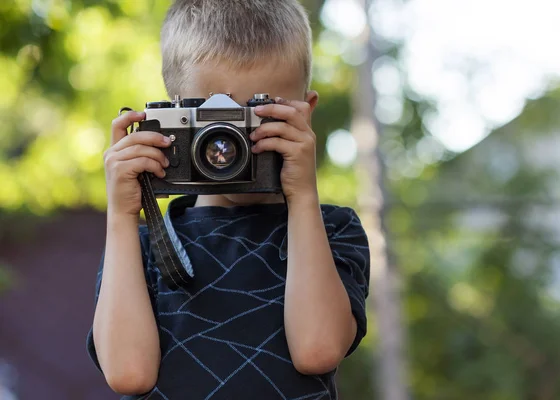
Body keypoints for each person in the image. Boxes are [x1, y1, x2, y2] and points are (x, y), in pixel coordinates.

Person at [86, 0, 370, 399]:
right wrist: (122, 216)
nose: (231, 141)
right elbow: (129, 375)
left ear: (306, 113)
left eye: (259, 112)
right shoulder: (143, 243)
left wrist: (303, 195)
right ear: (175, 116)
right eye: (215, 117)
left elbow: (318, 351)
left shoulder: (334, 229)